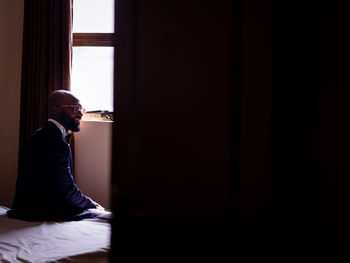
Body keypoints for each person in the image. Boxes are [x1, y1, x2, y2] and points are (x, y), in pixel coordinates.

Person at [7, 90, 109, 221]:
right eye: (75, 108)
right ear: (56, 110)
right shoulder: (53, 141)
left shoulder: (43, 134)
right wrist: (92, 205)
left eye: (81, 109)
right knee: (102, 216)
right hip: (38, 211)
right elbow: (66, 190)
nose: (80, 113)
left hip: (31, 208)